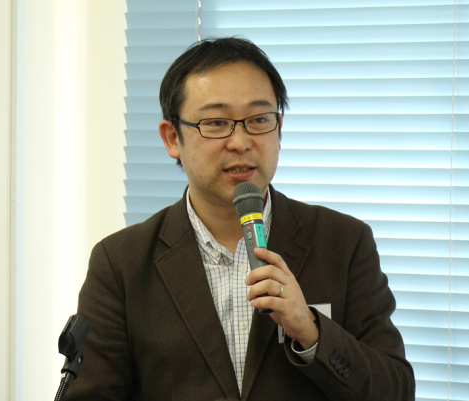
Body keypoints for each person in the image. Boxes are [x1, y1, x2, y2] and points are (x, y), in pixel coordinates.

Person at [65, 37, 415, 400]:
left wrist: (312, 332)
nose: (240, 142)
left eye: (259, 120)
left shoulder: (344, 243)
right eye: (216, 123)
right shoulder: (121, 263)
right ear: (172, 138)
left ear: (279, 129)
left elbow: (396, 391)